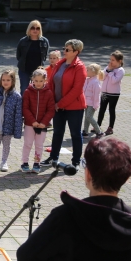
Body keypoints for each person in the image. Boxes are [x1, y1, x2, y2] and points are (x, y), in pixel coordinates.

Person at [43, 39, 87, 169]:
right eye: (64, 48)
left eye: (67, 50)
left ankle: (76, 161)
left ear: (76, 52)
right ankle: (54, 158)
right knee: (57, 132)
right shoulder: (60, 63)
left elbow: (76, 90)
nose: (64, 51)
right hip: (57, 106)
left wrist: (60, 104)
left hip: (74, 107)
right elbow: (51, 83)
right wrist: (51, 101)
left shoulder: (80, 67)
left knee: (75, 133)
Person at [0, 69, 23, 172]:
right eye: (3, 80)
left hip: (9, 126)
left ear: (13, 81)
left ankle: (4, 162)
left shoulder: (17, 96)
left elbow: (18, 115)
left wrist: (17, 130)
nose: (5, 82)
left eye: (8, 80)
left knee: (6, 145)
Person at [21, 68, 55, 173]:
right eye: (36, 81)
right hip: (29, 124)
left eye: (41, 81)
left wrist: (43, 123)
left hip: (42, 126)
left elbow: (51, 109)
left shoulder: (49, 93)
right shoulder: (27, 92)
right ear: (32, 80)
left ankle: (37, 163)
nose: (38, 83)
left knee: (39, 145)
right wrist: (32, 121)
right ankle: (25, 162)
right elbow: (25, 108)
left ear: (45, 80)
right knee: (28, 143)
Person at [16, 20, 50, 94]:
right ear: (29, 29)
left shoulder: (44, 41)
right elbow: (18, 56)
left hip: (38, 71)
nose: (35, 30)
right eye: (33, 28)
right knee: (24, 90)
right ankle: (24, 105)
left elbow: (45, 56)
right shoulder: (23, 41)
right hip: (24, 70)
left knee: (38, 90)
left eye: (37, 28)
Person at [98, 50, 124, 135]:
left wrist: (110, 71)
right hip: (105, 92)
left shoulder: (120, 70)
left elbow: (114, 81)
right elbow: (101, 77)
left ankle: (110, 128)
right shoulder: (108, 68)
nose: (111, 62)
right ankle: (97, 126)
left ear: (119, 61)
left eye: (113, 60)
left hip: (114, 94)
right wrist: (107, 71)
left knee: (111, 110)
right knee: (102, 109)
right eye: (110, 59)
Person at [82, 63, 104, 138]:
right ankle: (85, 131)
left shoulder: (95, 82)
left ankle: (99, 131)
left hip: (92, 104)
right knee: (86, 117)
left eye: (87, 70)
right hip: (86, 102)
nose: (86, 71)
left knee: (89, 116)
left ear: (93, 72)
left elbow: (96, 95)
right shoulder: (87, 80)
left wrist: (96, 105)